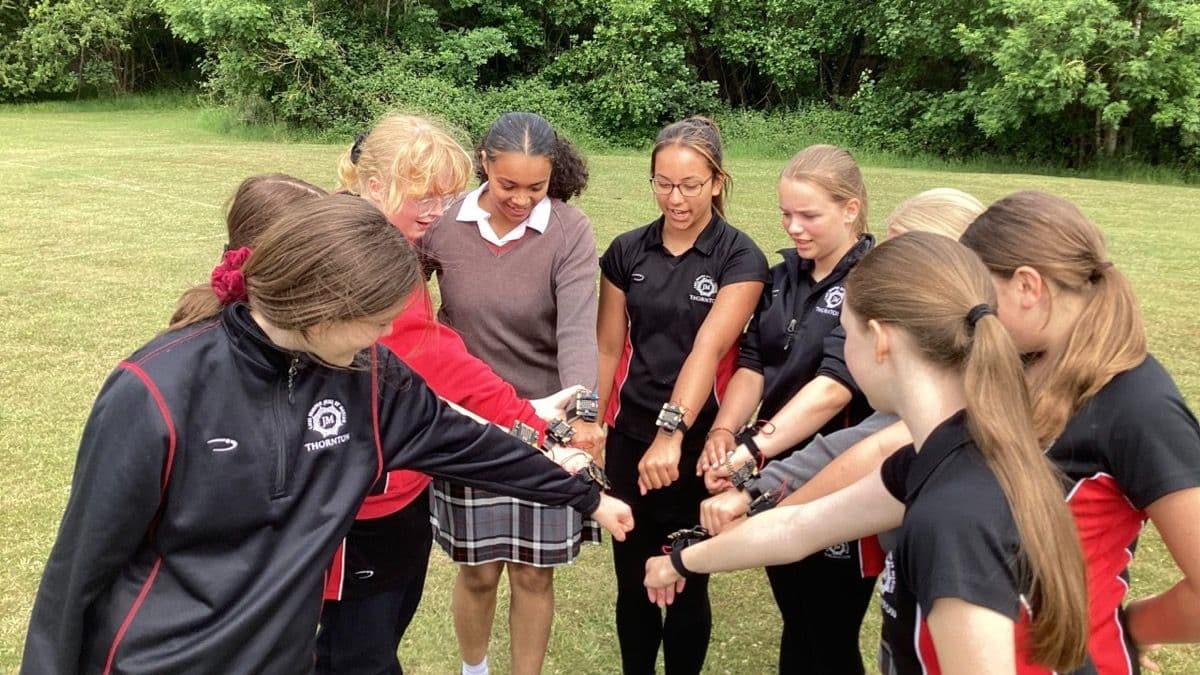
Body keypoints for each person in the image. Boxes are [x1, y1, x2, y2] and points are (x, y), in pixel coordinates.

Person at [20, 192, 635, 674]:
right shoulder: (155, 390)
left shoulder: (372, 378)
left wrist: (586, 497)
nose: (385, 336)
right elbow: (77, 573)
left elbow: (469, 444)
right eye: (376, 321)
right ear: (321, 311)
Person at [645, 231, 1091, 674]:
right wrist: (681, 562)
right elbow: (796, 528)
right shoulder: (931, 459)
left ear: (878, 340)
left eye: (844, 333)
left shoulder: (952, 514)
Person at [319, 113, 592, 675]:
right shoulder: (361, 249)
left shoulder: (393, 240)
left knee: (379, 635)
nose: (436, 210)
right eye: (425, 195)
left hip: (407, 470)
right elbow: (427, 351)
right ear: (376, 185)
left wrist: (544, 412)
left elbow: (431, 345)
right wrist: (525, 415)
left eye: (444, 197)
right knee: (359, 650)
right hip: (366, 484)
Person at [421, 112, 601, 675]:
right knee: (477, 570)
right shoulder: (443, 223)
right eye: (507, 185)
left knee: (533, 572)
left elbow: (577, 329)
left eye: (536, 187)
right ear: (484, 164)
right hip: (468, 420)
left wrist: (583, 416)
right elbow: (404, 309)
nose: (521, 200)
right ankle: (473, 670)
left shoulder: (570, 230)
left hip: (545, 423)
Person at [698, 188, 985, 537]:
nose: (887, 272)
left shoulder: (953, 376)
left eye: (901, 259)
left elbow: (871, 440)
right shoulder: (956, 349)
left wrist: (756, 495)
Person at [694, 144, 877, 674]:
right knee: (798, 621)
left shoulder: (873, 282)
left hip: (842, 476)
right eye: (786, 214)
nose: (794, 228)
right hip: (776, 475)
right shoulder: (783, 277)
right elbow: (754, 363)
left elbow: (834, 388)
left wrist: (751, 448)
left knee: (830, 635)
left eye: (809, 216)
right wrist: (725, 430)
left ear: (851, 209)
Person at [596, 116, 769, 674]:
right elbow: (608, 348)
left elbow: (708, 349)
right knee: (633, 584)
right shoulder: (626, 252)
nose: (676, 198)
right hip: (630, 441)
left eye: (691, 185)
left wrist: (671, 434)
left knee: (688, 579)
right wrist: (594, 424)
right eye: (663, 183)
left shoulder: (740, 258)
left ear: (717, 182)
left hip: (697, 449)